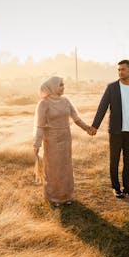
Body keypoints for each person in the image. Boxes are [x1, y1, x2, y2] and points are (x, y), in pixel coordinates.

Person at [88, 60, 129, 198]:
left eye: (123, 69)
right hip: (116, 131)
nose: (120, 72)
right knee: (114, 160)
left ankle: (127, 187)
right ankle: (116, 188)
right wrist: (95, 126)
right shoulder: (111, 87)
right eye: (119, 70)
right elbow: (102, 107)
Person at [33, 76, 90, 206]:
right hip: (51, 140)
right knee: (53, 168)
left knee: (65, 167)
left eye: (63, 85)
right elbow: (40, 126)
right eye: (61, 85)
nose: (63, 87)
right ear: (52, 87)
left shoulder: (66, 101)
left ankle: (66, 195)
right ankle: (53, 197)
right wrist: (37, 144)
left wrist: (87, 128)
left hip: (65, 138)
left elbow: (76, 118)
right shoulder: (44, 104)